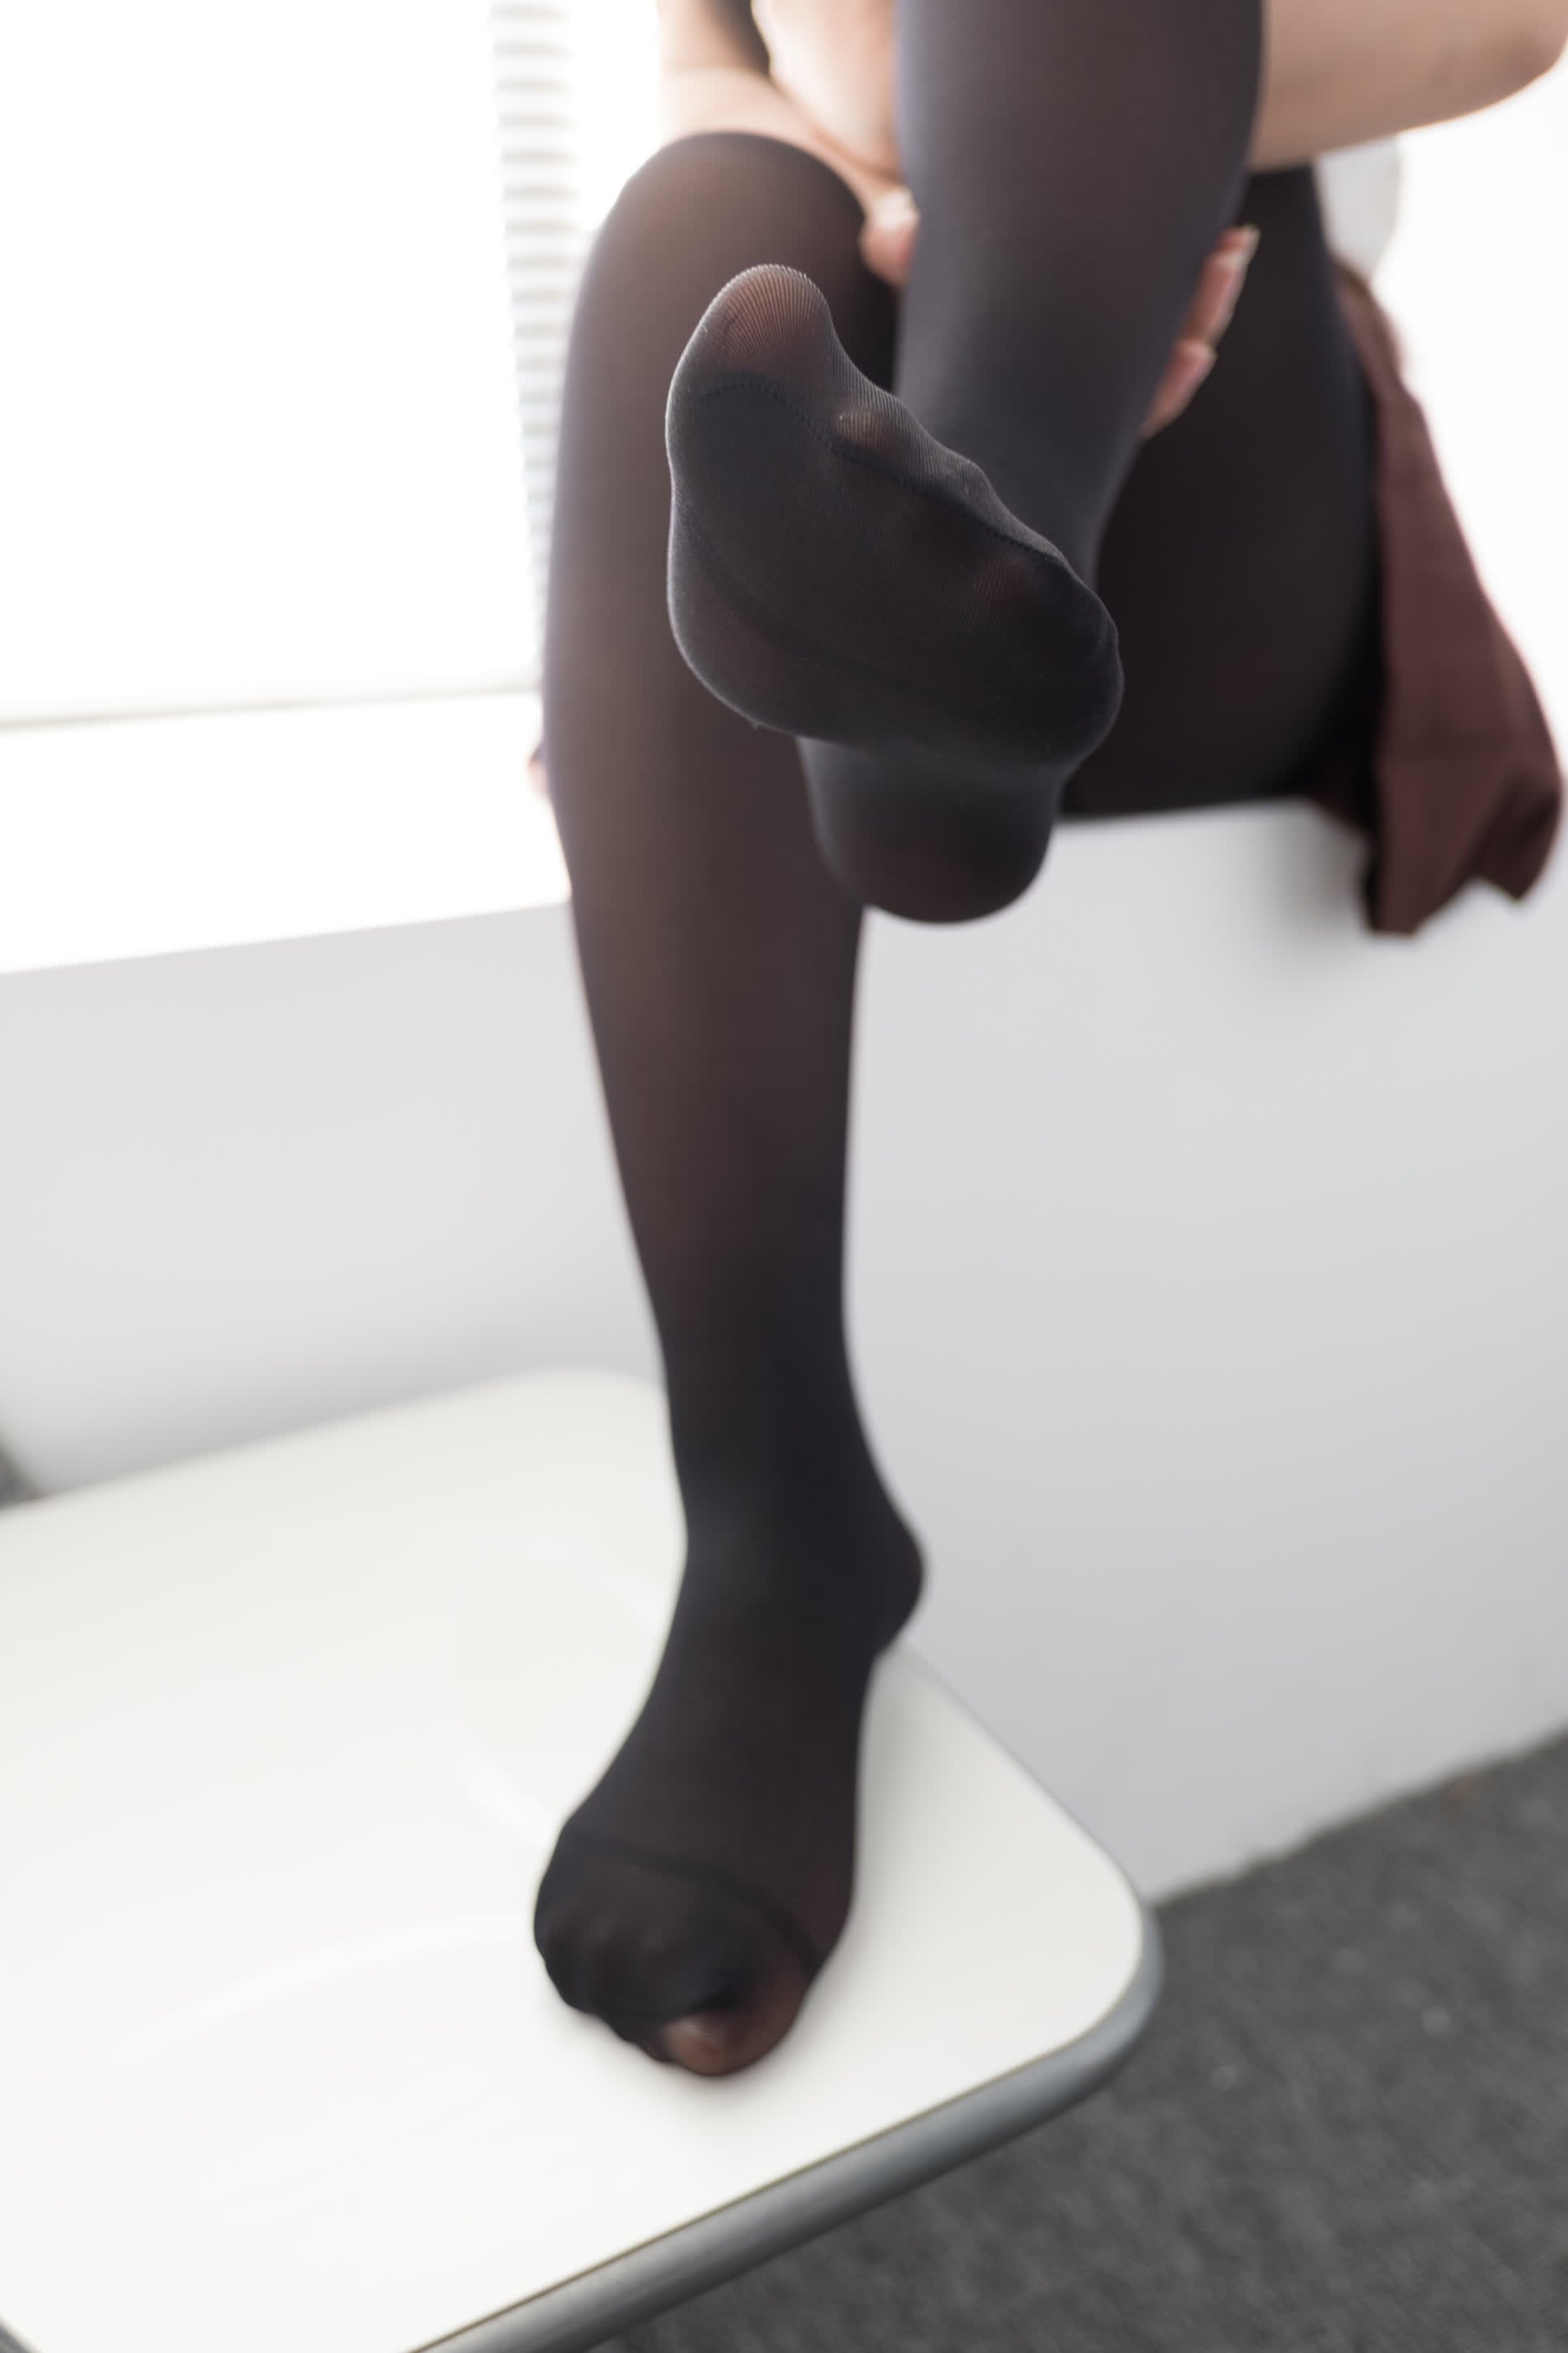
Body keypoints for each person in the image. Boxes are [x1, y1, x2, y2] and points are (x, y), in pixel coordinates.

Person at [532, 0, 1566, 2076]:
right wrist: (907, 160)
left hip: (1225, 454)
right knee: (703, 227)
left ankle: (946, 649)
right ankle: (776, 1522)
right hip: (878, 422)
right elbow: (706, 68)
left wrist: (1025, 101)